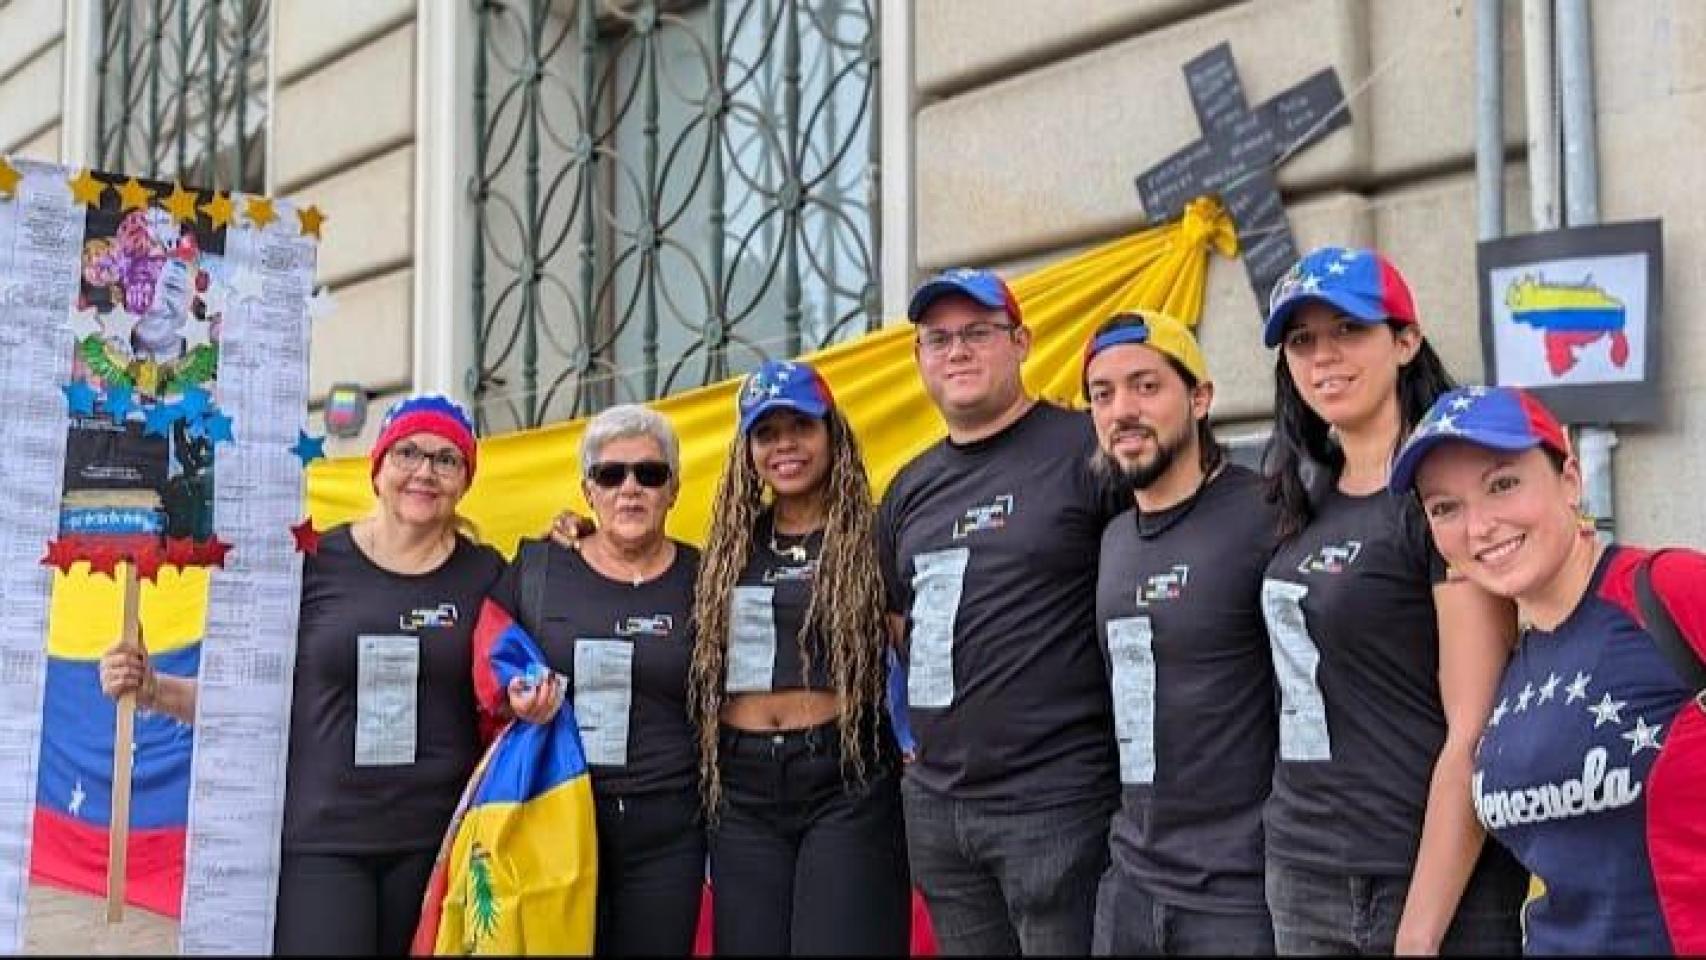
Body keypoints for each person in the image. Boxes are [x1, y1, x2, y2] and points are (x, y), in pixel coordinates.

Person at [99, 394, 511, 956]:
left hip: (441, 843)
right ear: (378, 466)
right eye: (408, 453)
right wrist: (151, 688)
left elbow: (526, 673)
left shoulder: (487, 573)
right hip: (323, 840)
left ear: (465, 479)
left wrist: (575, 534)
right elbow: (250, 698)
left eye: (446, 460)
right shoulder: (313, 560)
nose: (424, 472)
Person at [1256, 246, 1527, 954]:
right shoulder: (1296, 493)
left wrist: (1420, 931)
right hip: (1302, 869)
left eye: (1349, 330)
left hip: (1424, 877)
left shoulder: (1441, 497)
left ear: (1404, 341)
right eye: (1302, 340)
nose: (1324, 358)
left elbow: (1474, 735)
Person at [1389, 384, 1706, 955]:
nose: (1479, 526)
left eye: (1502, 484)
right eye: (1445, 508)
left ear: (1570, 481)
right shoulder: (1513, 670)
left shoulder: (1669, 591)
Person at [879, 267, 1125, 955]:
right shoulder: (908, 488)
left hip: (1058, 802)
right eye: (938, 338)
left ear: (1021, 341)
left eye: (978, 333)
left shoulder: (1089, 448)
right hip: (939, 808)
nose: (957, 351)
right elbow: (901, 628)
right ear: (919, 358)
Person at [693, 358, 910, 955]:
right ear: (747, 450)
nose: (784, 445)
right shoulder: (728, 546)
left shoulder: (872, 537)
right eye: (766, 432)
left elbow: (910, 646)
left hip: (845, 774)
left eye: (801, 427)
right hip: (742, 789)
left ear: (831, 434)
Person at [1081, 311, 1279, 955]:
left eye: (1146, 386)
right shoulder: (1111, 539)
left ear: (1199, 398)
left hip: (1239, 896)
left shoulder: (1269, 514)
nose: (1122, 410)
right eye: (1103, 394)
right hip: (1132, 883)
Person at [477, 403, 704, 955]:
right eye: (611, 475)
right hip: (555, 814)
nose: (630, 489)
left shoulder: (707, 576)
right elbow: (488, 662)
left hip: (668, 828)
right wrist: (513, 697)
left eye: (649, 474)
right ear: (587, 490)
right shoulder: (538, 568)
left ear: (673, 489)